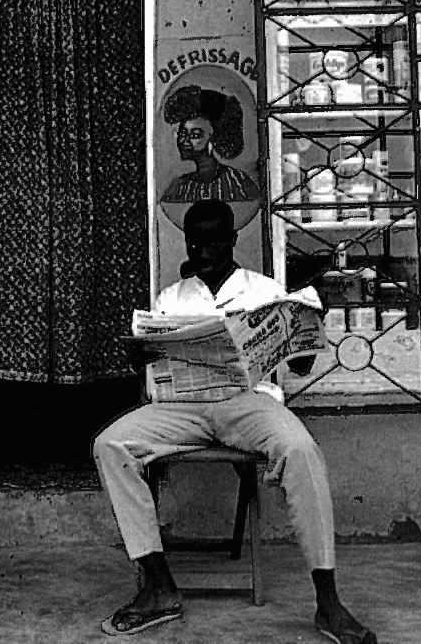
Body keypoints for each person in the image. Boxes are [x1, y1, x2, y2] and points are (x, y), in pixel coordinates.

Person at [93, 199, 377, 643]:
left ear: (231, 239)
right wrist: (141, 354)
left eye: (211, 240)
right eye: (193, 240)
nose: (201, 249)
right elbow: (155, 362)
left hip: (248, 404)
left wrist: (303, 336)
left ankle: (329, 602)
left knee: (301, 450)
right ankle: (158, 585)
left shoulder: (263, 289)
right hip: (182, 408)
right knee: (111, 444)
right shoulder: (173, 296)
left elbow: (298, 367)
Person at [159, 85, 262, 206]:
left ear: (214, 138)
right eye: (182, 133)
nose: (184, 140)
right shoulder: (178, 188)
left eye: (195, 135)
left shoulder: (240, 184)